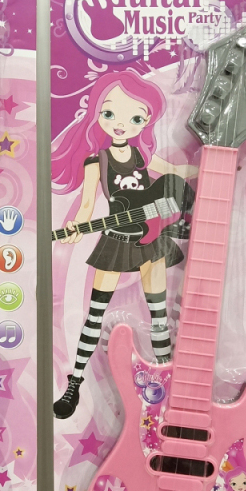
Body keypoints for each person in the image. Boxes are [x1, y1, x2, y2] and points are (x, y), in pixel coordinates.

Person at [50, 69, 197, 419]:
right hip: (117, 240)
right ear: (98, 112)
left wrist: (210, 167)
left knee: (158, 316)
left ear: (145, 122)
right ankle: (75, 383)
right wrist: (75, 228)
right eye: (110, 113)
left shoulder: (142, 155)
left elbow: (174, 174)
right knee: (95, 315)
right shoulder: (96, 161)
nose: (120, 124)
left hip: (151, 241)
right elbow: (87, 205)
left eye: (134, 118)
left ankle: (168, 380)